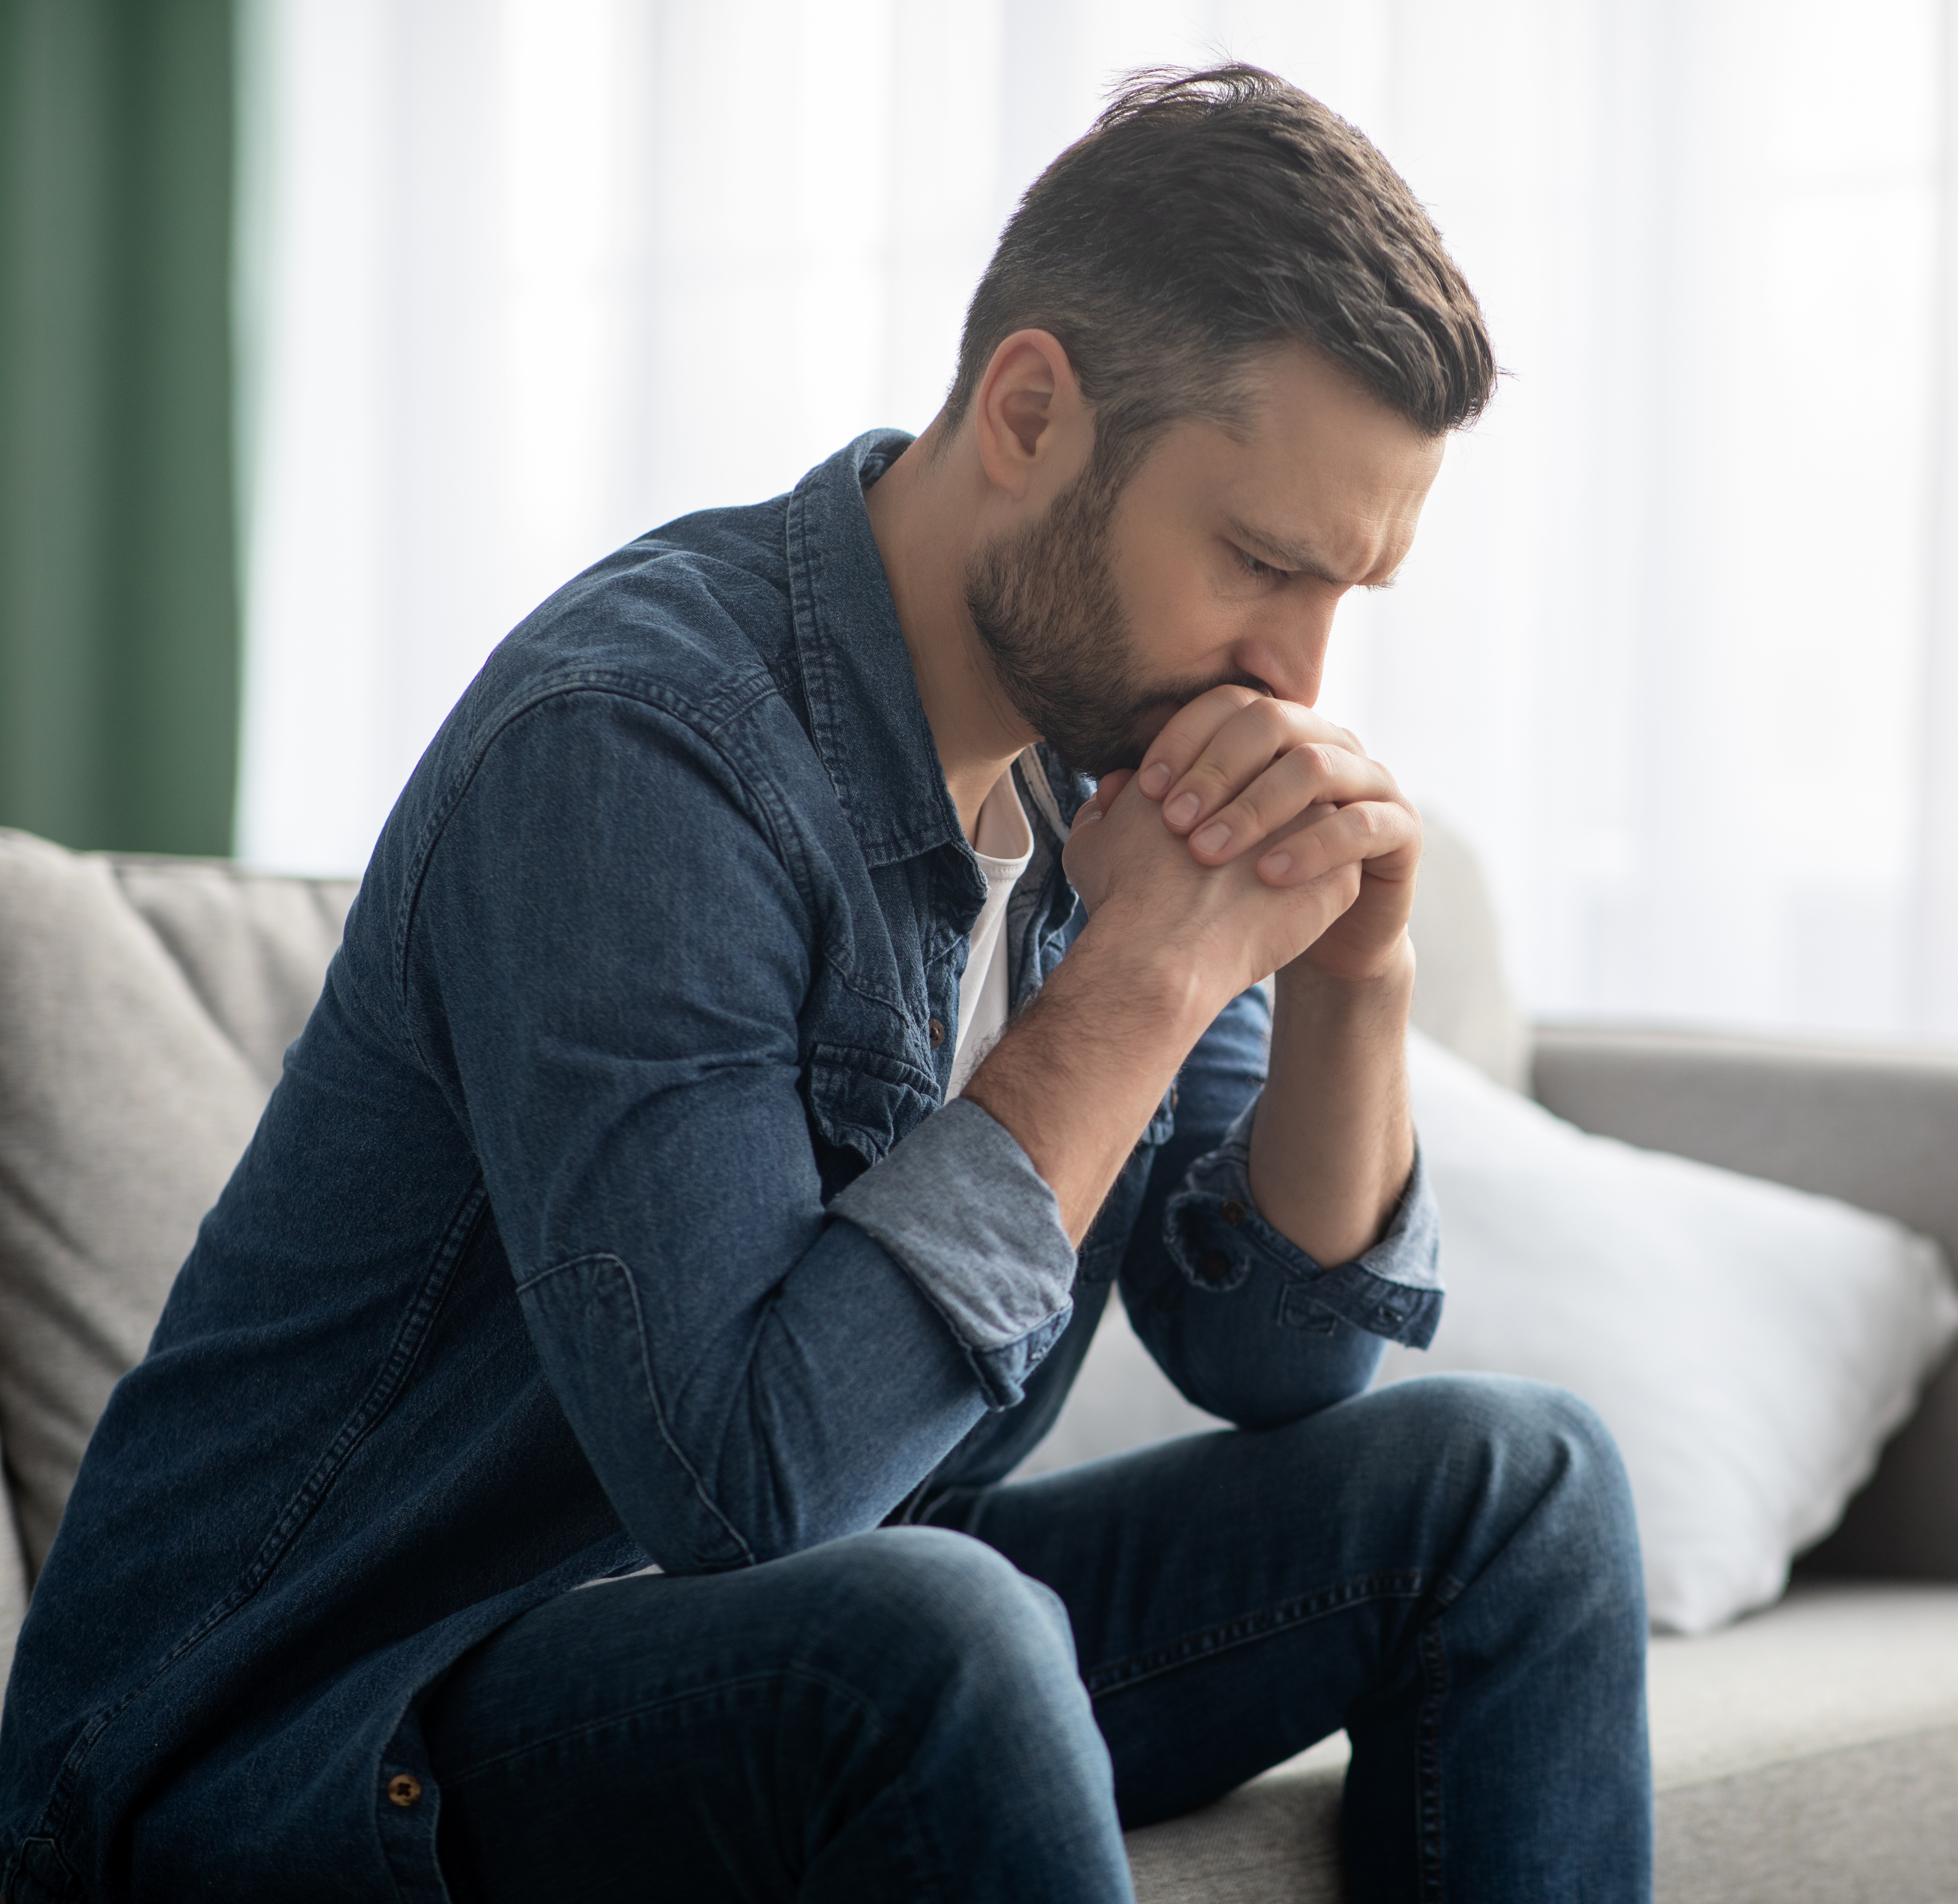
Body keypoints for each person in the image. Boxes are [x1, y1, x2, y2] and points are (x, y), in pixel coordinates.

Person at [0, 66, 1650, 1904]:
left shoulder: (1121, 748)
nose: (1297, 666)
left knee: (1523, 1490)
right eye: (1261, 561)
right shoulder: (637, 743)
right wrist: (1141, 981)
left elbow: (1274, 1355)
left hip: (782, 1644)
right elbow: (750, 1487)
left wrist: (1357, 973)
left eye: (1353, 590)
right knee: (935, 1629)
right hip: (306, 1736)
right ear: (1029, 413)